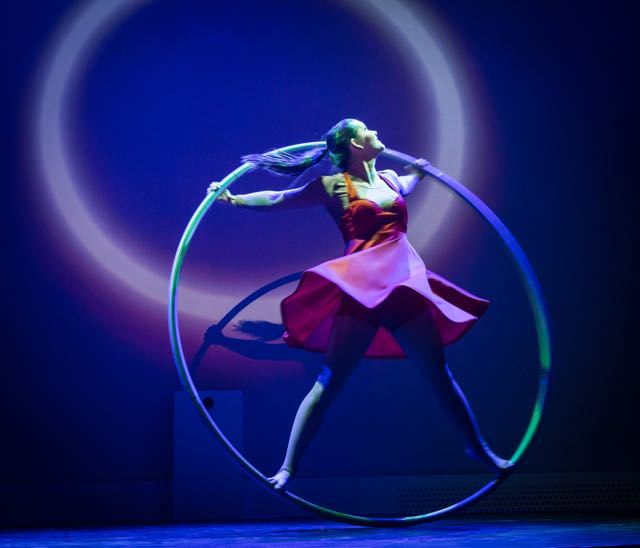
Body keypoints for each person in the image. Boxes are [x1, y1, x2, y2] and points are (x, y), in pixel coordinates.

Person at [207, 118, 514, 490]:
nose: (377, 133)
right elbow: (277, 199)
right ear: (354, 143)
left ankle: (478, 448)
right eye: (368, 130)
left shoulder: (390, 179)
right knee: (329, 381)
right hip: (362, 289)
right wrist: (233, 199)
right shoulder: (333, 186)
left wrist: (418, 174)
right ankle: (288, 468)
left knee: (438, 373)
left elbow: (409, 183)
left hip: (403, 285)